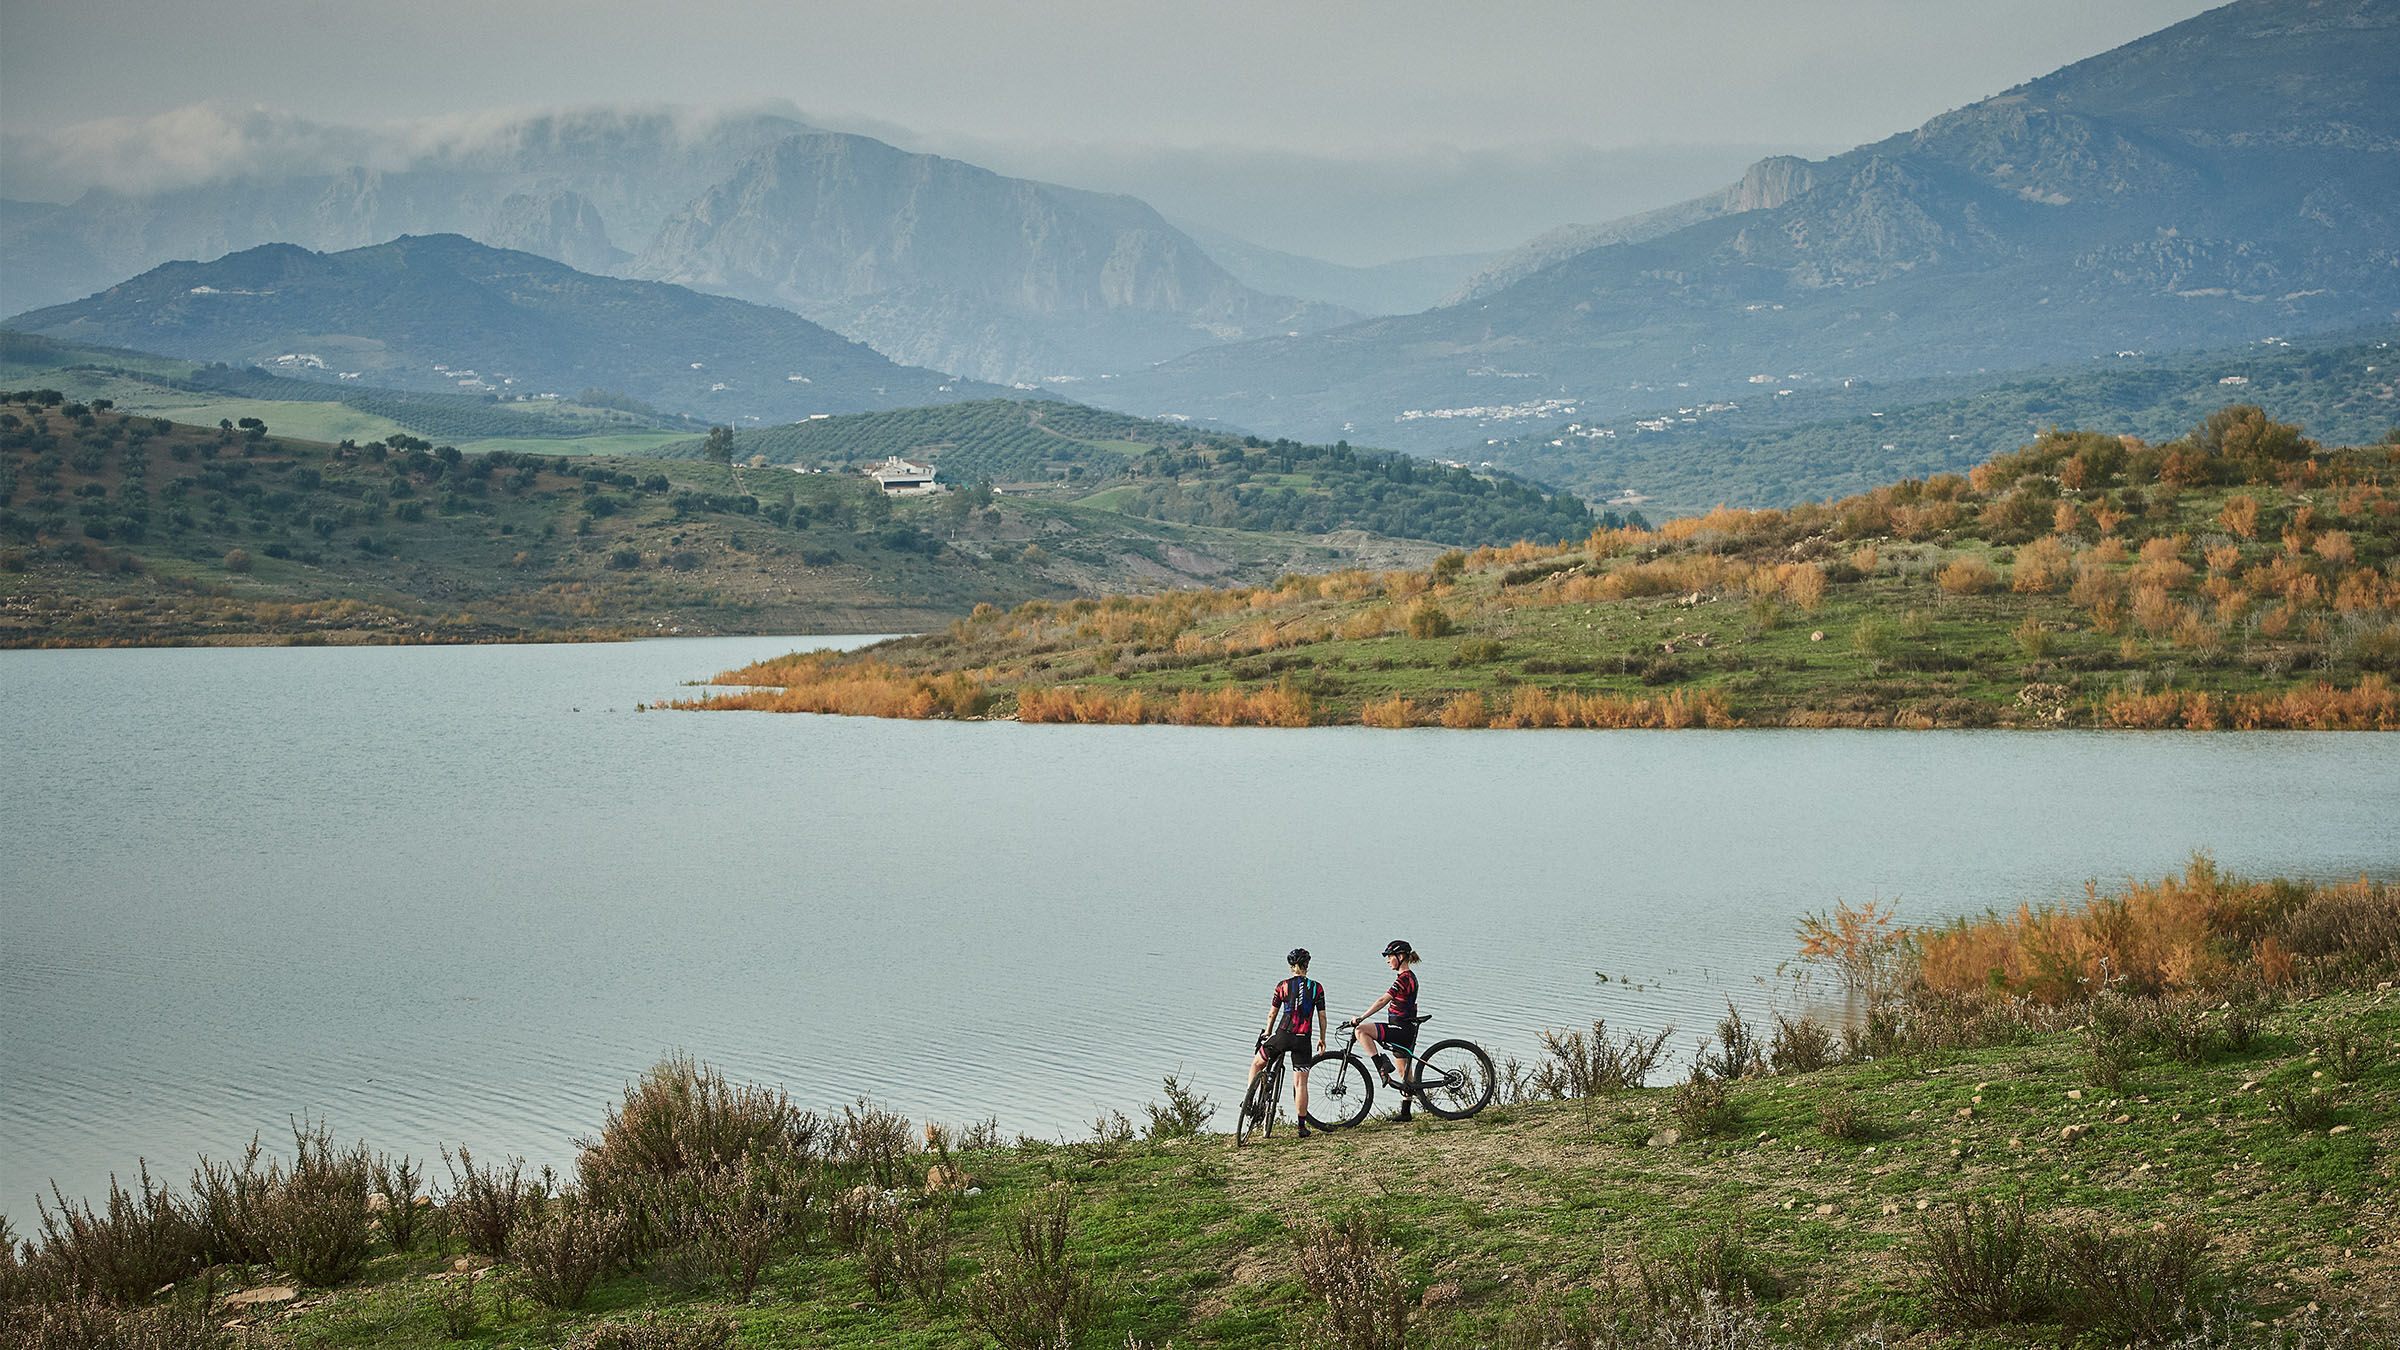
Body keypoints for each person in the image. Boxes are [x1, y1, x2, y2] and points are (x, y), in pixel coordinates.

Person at [1247, 947, 1328, 1138]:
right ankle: (1301, 1127)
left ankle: (1249, 1101)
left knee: (1258, 1063)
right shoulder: (1317, 988)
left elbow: (1272, 1013)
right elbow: (1322, 1017)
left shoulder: (1282, 986)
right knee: (1301, 1084)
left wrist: (1268, 1032)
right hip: (1303, 1039)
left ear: (1291, 966)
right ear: (1307, 965)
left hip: (1283, 1035)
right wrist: (1322, 1038)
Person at [1350, 939, 1423, 1122]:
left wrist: (1362, 1017)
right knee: (1404, 1072)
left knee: (1361, 1031)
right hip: (1405, 1028)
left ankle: (1381, 1067)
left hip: (1400, 1028)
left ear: (1400, 957)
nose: (1388, 960)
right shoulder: (1409, 977)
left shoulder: (1404, 978)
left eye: (1390, 956)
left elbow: (1383, 1000)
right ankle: (1406, 1112)